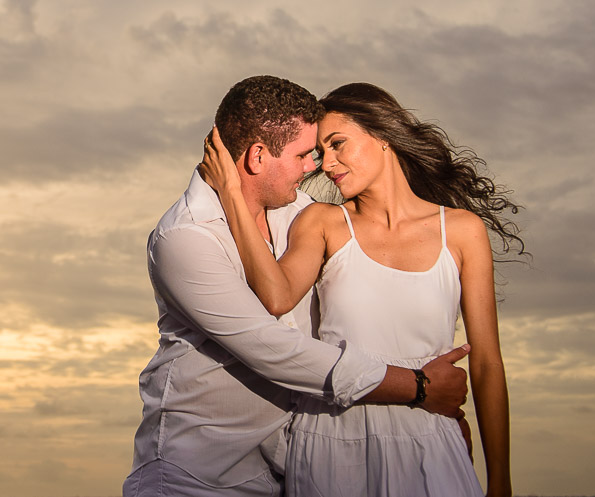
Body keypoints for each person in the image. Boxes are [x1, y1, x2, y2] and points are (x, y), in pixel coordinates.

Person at [124, 76, 472, 497]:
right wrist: (418, 387)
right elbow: (273, 350)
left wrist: (434, 426)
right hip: (198, 474)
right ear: (256, 156)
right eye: (305, 154)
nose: (316, 166)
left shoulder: (300, 213)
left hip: (291, 465)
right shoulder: (186, 237)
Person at [199, 82, 521, 497]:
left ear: (382, 137)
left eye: (337, 145)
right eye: (319, 152)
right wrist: (231, 196)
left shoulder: (461, 231)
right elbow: (275, 297)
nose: (327, 164)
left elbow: (487, 366)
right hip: (333, 442)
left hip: (428, 433)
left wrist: (501, 481)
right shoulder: (322, 222)